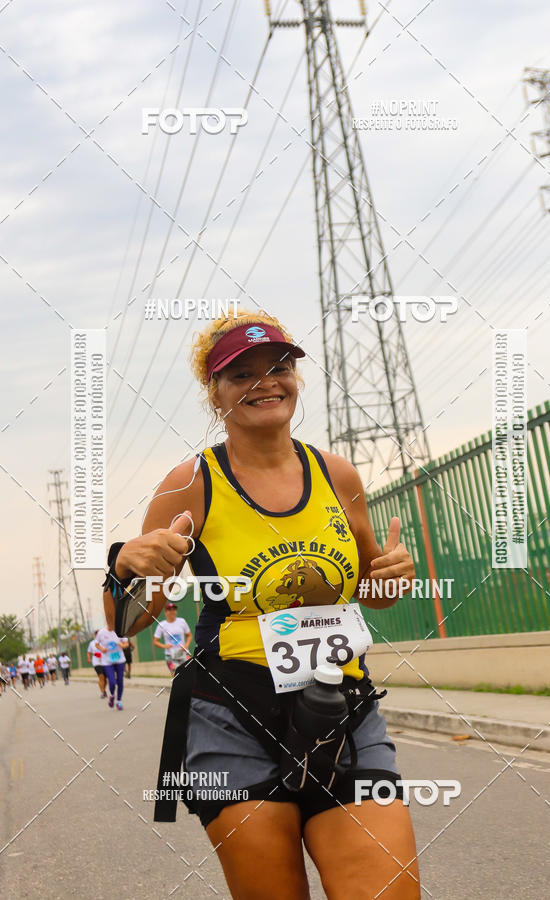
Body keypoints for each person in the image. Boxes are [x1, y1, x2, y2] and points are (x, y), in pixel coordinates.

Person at [103, 312, 420, 898]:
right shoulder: (191, 483)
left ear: (296, 378)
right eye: (241, 374)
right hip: (232, 714)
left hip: (342, 707)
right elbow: (129, 621)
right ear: (215, 392)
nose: (265, 382)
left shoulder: (337, 474)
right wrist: (125, 566)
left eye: (279, 367)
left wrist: (393, 577)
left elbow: (371, 591)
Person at [153, 604, 192, 675]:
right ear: (165, 612)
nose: (172, 611)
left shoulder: (182, 621)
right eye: (169, 610)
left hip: (183, 653)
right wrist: (165, 646)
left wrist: (186, 645)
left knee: (189, 673)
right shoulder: (161, 625)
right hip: (170, 655)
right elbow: (155, 642)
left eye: (174, 609)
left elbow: (189, 635)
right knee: (176, 676)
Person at [95, 627, 128, 710]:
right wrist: (102, 649)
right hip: (107, 661)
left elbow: (126, 644)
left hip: (120, 660)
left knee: (120, 681)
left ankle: (119, 701)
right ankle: (112, 695)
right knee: (112, 681)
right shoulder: (101, 632)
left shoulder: (120, 630)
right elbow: (96, 645)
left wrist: (122, 645)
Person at [87, 630, 107, 697]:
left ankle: (104, 690)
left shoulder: (104, 642)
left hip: (105, 662)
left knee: (105, 679)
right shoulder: (92, 643)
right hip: (96, 662)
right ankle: (102, 692)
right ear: (95, 635)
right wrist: (89, 658)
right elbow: (89, 652)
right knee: (101, 677)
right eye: (96, 634)